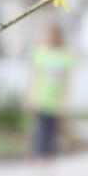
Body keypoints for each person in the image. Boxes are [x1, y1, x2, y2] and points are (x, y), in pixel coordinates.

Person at [26, 23, 74, 162]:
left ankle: (49, 158)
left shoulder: (65, 55)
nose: (50, 38)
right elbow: (32, 77)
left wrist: (65, 101)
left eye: (53, 35)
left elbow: (68, 80)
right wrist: (29, 97)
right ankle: (37, 157)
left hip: (56, 100)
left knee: (52, 132)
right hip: (40, 98)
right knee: (39, 130)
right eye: (47, 35)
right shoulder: (39, 53)